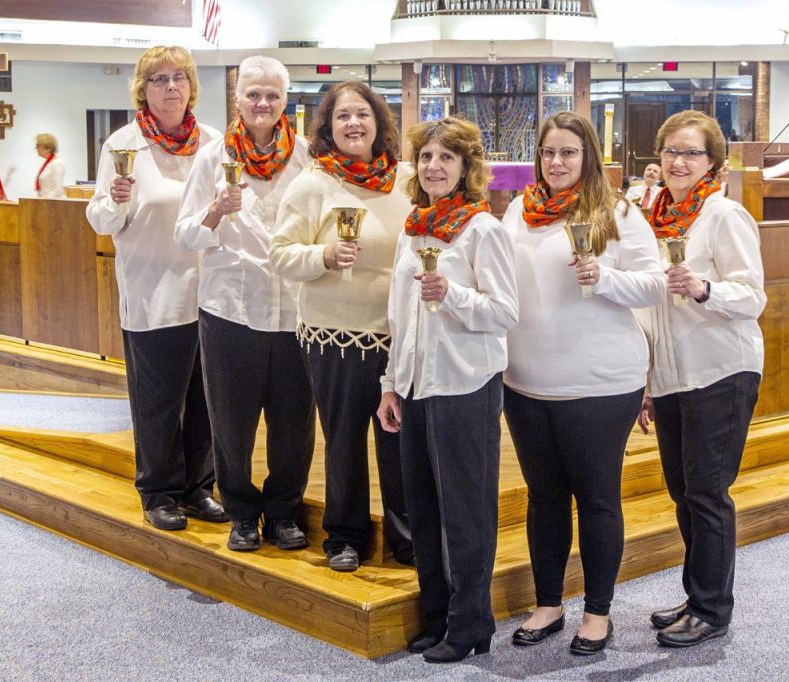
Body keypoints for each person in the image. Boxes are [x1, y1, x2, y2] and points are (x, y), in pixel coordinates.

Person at [502, 111, 666, 655]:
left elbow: (656, 284)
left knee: (596, 499)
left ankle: (597, 613)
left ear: (588, 155)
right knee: (544, 498)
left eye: (569, 152)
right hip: (525, 380)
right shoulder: (517, 213)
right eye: (549, 152)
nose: (557, 162)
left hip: (599, 382)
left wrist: (606, 277)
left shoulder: (617, 212)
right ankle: (549, 603)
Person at [376, 116, 519, 663]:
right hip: (414, 384)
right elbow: (398, 314)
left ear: (466, 168)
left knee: (466, 509)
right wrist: (391, 384)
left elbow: (506, 311)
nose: (435, 167)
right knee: (425, 509)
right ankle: (436, 616)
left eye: (446, 159)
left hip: (464, 383)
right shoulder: (414, 227)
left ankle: (469, 623)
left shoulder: (483, 229)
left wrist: (453, 294)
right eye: (427, 158)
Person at [269, 80, 413, 572]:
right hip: (335, 334)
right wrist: (324, 255)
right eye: (343, 116)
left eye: (363, 114)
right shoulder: (313, 183)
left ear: (379, 122)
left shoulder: (406, 180)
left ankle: (406, 535)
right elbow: (281, 254)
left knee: (398, 443)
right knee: (345, 440)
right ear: (327, 128)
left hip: (399, 335)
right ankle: (344, 535)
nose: (354, 123)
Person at [636, 109, 766, 648]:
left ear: (712, 162)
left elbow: (753, 295)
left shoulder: (723, 215)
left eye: (691, 152)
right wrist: (644, 381)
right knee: (683, 493)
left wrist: (705, 288)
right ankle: (697, 596)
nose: (678, 161)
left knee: (708, 493)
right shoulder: (656, 217)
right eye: (670, 151)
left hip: (720, 370)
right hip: (670, 375)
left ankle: (713, 609)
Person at [175, 56, 315, 553]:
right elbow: (185, 234)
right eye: (253, 94)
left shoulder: (305, 156)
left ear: (285, 101)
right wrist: (215, 210)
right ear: (237, 98)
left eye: (272, 95)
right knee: (231, 421)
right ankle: (241, 513)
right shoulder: (212, 157)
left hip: (294, 310)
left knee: (295, 424)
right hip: (231, 309)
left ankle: (283, 513)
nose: (262, 103)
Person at [85, 45, 227, 532]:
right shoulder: (124, 144)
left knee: (206, 397)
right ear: (142, 89)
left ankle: (198, 488)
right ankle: (160, 490)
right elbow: (101, 221)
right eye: (160, 79)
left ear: (192, 86)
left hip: (209, 290)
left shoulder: (212, 142)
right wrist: (115, 199)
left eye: (180, 77)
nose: (171, 87)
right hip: (153, 290)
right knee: (160, 398)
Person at [34, 133, 66, 198]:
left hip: (53, 204)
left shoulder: (57, 163)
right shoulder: (48, 163)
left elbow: (57, 190)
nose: (36, 148)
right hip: (45, 201)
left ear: (47, 147)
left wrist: (46, 203)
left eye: (38, 145)